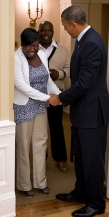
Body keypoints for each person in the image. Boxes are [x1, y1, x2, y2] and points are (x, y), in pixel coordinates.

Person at [48, 5, 109, 217]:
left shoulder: (92, 43)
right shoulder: (83, 40)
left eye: (66, 26)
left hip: (93, 113)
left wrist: (61, 97)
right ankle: (81, 192)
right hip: (83, 111)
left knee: (93, 160)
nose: (65, 30)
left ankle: (95, 203)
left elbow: (85, 84)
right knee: (83, 158)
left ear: (74, 24)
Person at [14, 27, 61, 197]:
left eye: (35, 45)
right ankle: (24, 184)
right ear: (22, 44)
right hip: (24, 106)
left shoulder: (41, 54)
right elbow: (21, 85)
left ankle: (41, 182)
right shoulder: (16, 58)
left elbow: (47, 80)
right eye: (29, 46)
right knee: (24, 145)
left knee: (41, 143)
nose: (32, 49)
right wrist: (47, 98)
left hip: (41, 106)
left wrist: (59, 95)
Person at [38, 20, 71, 173]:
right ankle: (40, 160)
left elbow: (69, 69)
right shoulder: (31, 48)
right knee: (39, 130)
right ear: (39, 31)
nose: (46, 33)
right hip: (37, 97)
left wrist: (59, 74)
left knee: (57, 127)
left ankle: (61, 159)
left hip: (55, 95)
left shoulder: (63, 50)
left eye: (48, 30)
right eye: (43, 30)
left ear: (53, 32)